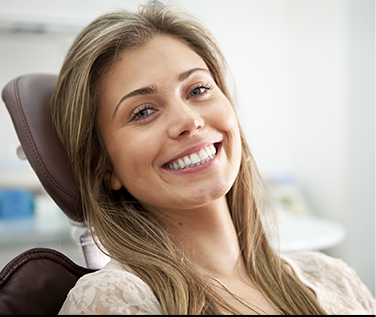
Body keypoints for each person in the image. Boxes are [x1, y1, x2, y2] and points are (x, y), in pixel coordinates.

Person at [52, 1, 376, 315]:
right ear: (104, 165)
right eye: (144, 111)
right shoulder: (113, 300)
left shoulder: (334, 277)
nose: (189, 121)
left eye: (197, 90)